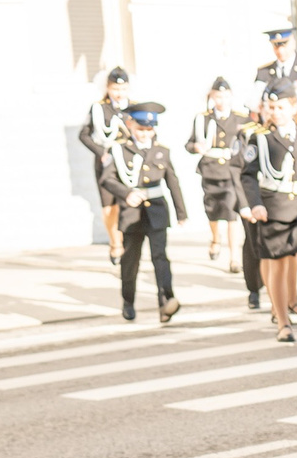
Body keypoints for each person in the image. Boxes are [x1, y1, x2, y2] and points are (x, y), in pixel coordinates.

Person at [233, 83, 297, 343]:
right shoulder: (259, 139)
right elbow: (248, 176)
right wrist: (255, 204)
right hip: (273, 209)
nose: (276, 112)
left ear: (294, 107)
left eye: (281, 107)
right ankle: (283, 322)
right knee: (278, 267)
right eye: (272, 107)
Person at [107, 101, 187, 323]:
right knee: (130, 260)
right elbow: (107, 178)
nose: (144, 134)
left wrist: (181, 212)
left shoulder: (162, 151)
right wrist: (125, 193)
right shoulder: (120, 150)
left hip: (157, 211)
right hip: (132, 213)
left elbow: (173, 182)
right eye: (141, 129)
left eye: (149, 130)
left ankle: (166, 302)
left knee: (160, 257)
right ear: (132, 126)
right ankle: (128, 301)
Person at [184, 77, 244, 263]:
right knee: (213, 210)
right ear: (212, 97)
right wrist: (196, 147)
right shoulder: (203, 118)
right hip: (210, 169)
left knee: (232, 213)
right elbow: (189, 144)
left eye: (226, 96)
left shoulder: (241, 118)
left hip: (231, 170)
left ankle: (234, 257)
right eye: (218, 96)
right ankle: (216, 238)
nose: (222, 101)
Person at [79, 66, 130, 266]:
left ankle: (128, 239)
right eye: (115, 89)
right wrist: (101, 153)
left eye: (123, 88)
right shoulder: (98, 108)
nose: (119, 93)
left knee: (128, 202)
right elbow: (83, 135)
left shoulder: (133, 108)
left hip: (127, 162)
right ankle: (115, 241)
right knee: (109, 206)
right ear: (107, 88)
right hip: (107, 161)